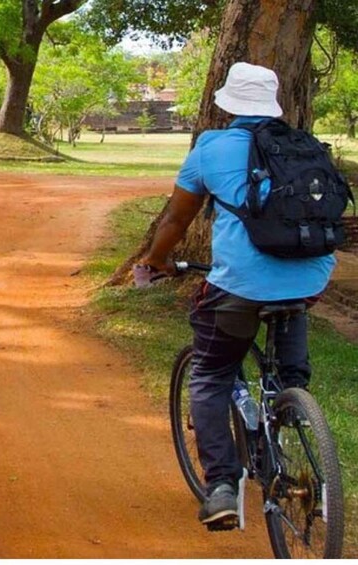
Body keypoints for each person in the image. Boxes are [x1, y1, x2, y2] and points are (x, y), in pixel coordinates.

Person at [139, 62, 335, 528]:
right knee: (288, 329)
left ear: (228, 104)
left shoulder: (211, 147)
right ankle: (292, 401)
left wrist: (154, 261)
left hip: (241, 286)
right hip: (312, 277)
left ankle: (223, 486)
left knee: (210, 374)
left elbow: (176, 220)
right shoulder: (303, 145)